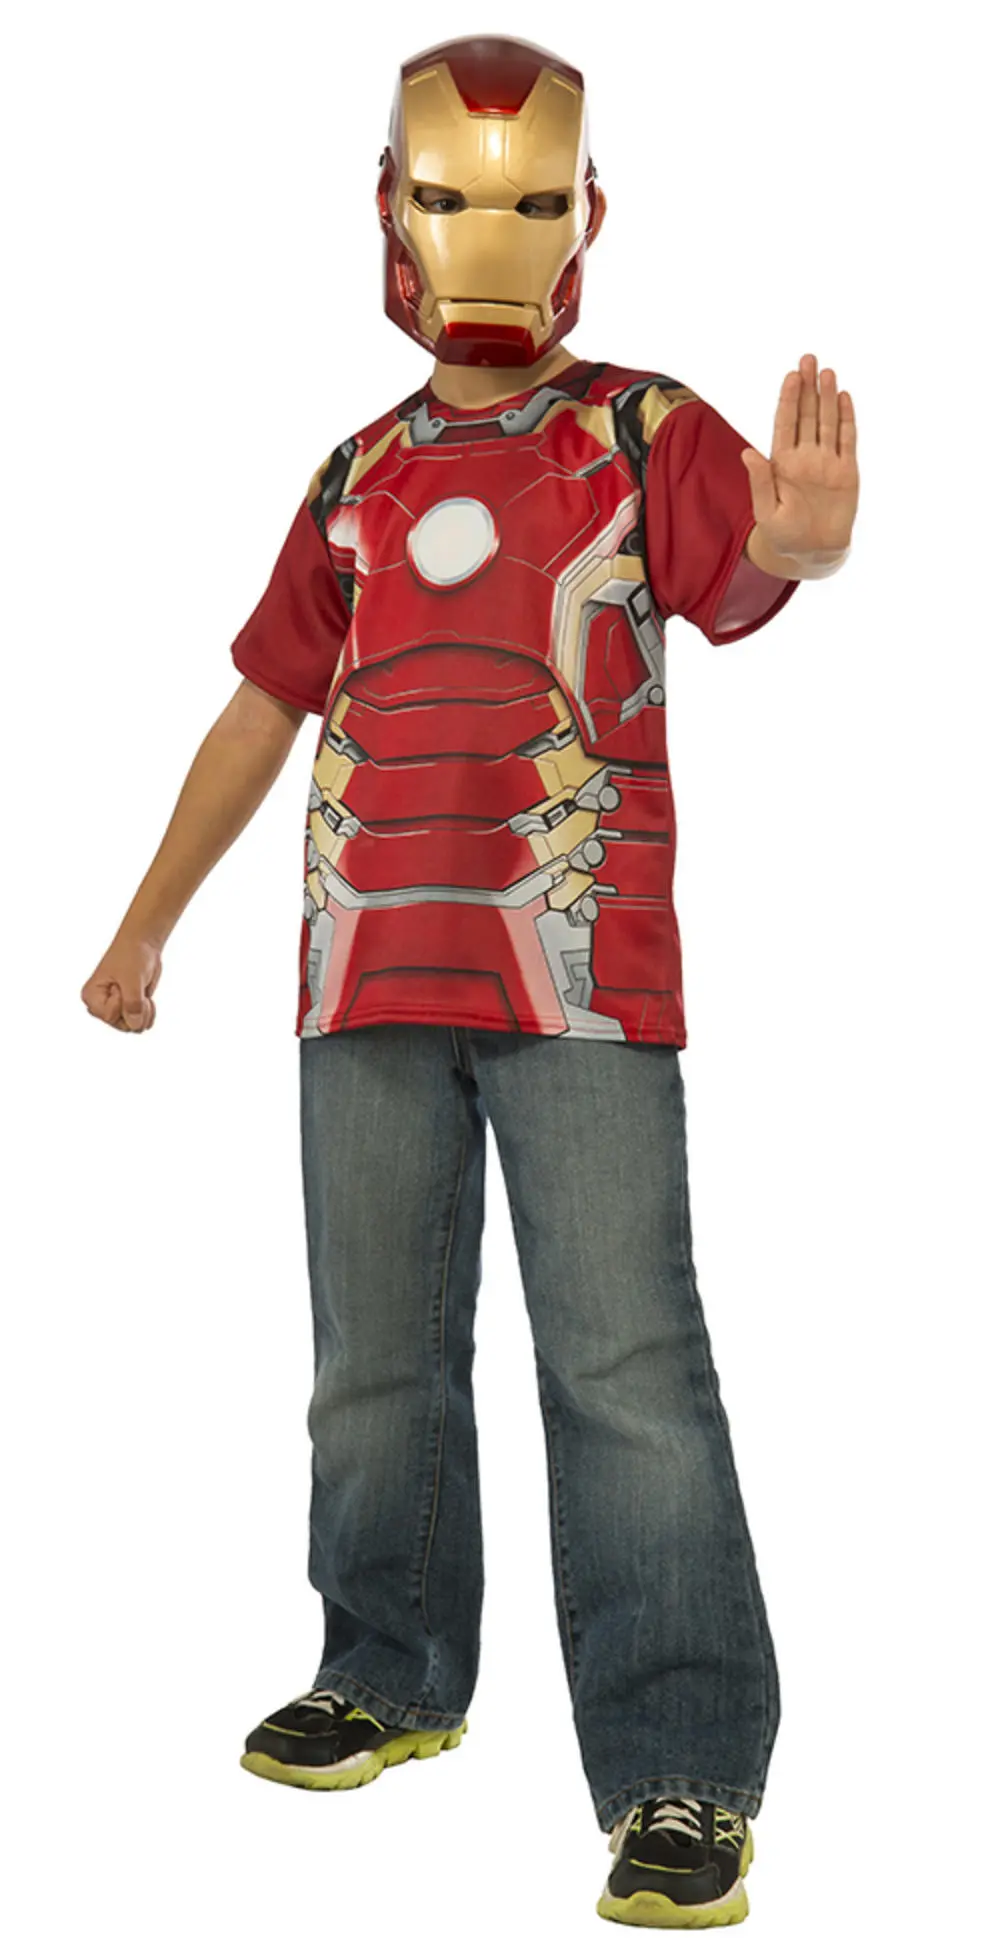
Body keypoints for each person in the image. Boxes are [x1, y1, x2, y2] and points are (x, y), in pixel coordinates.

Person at [80, 33, 858, 1931]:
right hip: (360, 974)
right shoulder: (353, 475)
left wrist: (794, 544)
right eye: (448, 195)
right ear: (388, 209)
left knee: (625, 1368)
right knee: (371, 1363)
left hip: (579, 984)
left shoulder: (644, 435)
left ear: (587, 216)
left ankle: (684, 1769)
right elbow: (264, 706)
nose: (486, 233)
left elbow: (741, 562)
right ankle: (388, 1668)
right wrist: (148, 917)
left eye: (527, 198)